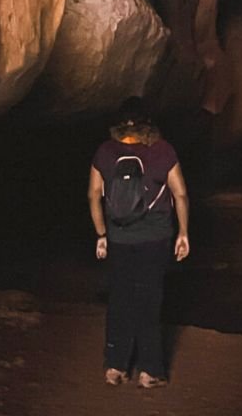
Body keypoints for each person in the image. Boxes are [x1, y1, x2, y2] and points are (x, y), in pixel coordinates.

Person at [88, 98, 190, 388]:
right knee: (149, 300)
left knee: (120, 299)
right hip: (155, 238)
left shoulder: (105, 152)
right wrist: (183, 232)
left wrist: (101, 235)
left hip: (119, 238)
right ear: (149, 122)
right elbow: (180, 194)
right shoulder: (163, 151)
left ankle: (114, 367)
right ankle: (150, 371)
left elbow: (94, 194)